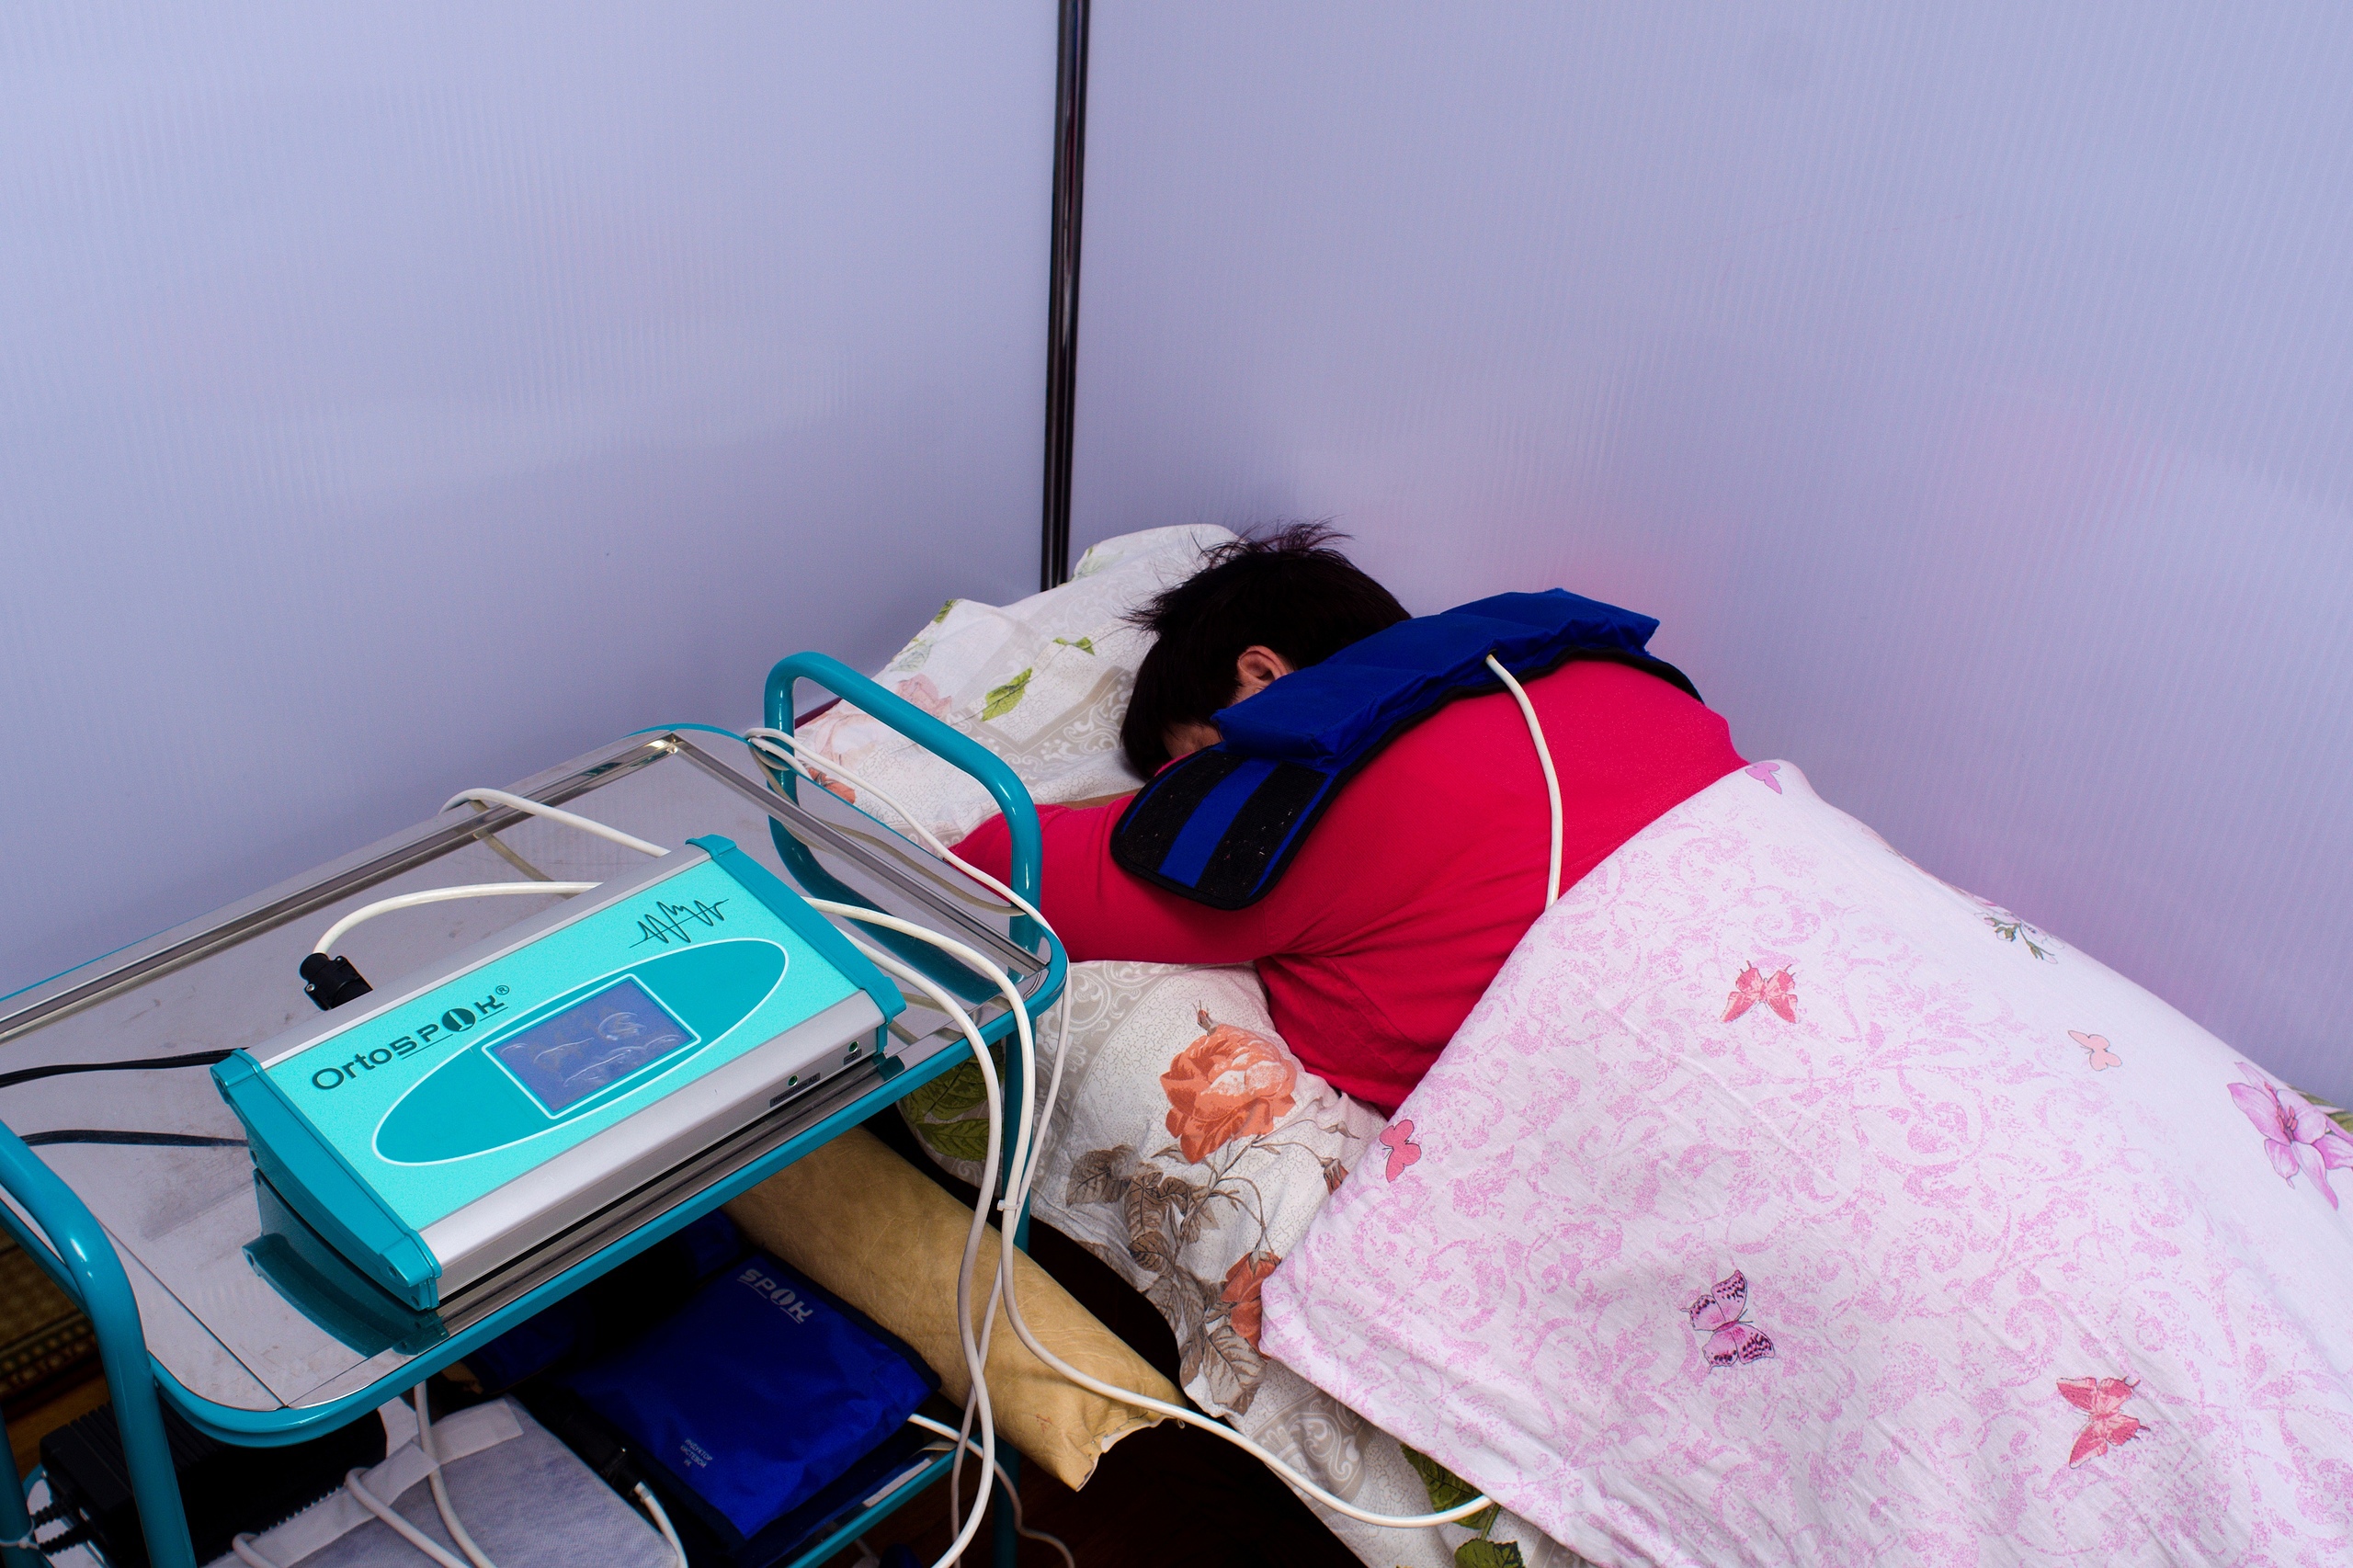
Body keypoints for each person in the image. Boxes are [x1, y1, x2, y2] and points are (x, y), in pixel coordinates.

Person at [954, 526, 1744, 1111]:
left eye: (1190, 759)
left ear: (1262, 676)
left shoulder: (1311, 786)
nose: (1178, 789)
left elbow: (994, 866)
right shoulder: (1622, 678)